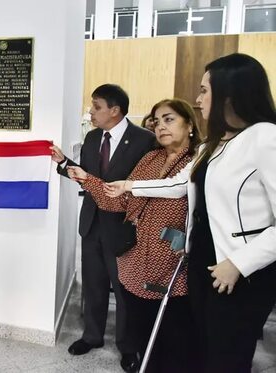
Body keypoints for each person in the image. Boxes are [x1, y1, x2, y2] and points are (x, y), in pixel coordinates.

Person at [106, 53, 276, 373]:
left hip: (239, 270)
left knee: (227, 356)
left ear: (230, 92)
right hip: (202, 261)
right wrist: (129, 186)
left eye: (204, 90)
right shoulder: (214, 144)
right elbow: (179, 184)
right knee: (202, 349)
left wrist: (239, 263)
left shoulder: (265, 137)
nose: (198, 100)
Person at [67, 98, 201, 372]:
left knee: (173, 339)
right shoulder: (151, 159)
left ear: (189, 125)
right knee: (140, 330)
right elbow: (120, 201)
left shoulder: (199, 163)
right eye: (156, 120)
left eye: (169, 119)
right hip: (134, 261)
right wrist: (87, 179)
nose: (161, 126)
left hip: (174, 266)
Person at [50, 84, 155, 372]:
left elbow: (143, 188)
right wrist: (63, 163)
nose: (91, 112)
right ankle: (92, 336)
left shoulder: (144, 140)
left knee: (124, 291)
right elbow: (88, 177)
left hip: (123, 229)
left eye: (96, 107)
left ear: (115, 110)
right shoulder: (93, 137)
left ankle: (127, 345)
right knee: (93, 285)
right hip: (92, 225)